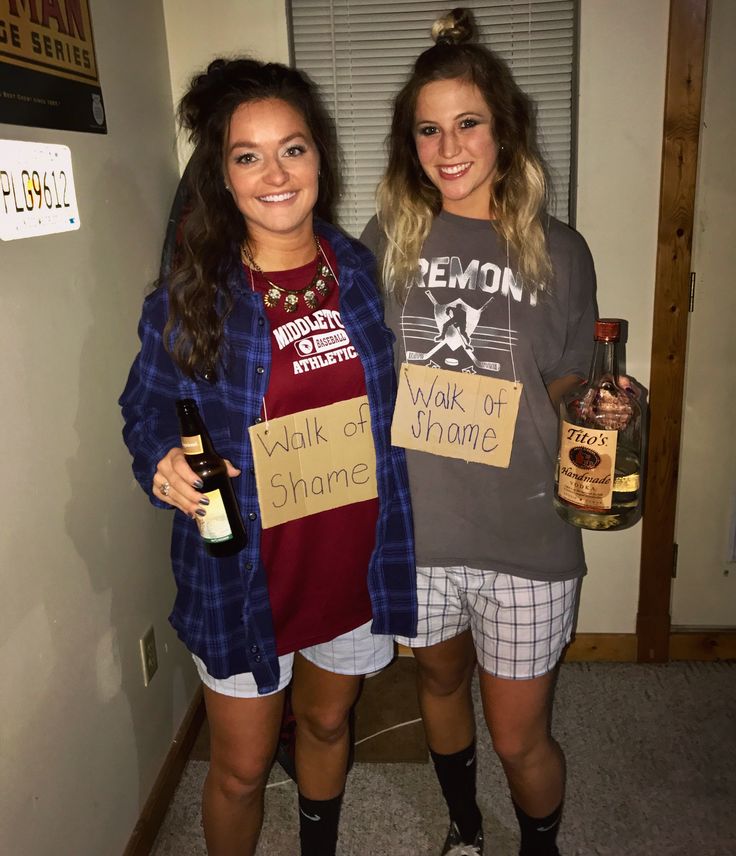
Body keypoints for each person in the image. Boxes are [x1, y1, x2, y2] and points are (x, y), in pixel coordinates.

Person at [119, 57, 416, 856]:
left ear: (321, 156)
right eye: (247, 156)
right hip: (244, 570)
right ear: (222, 177)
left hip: (350, 558)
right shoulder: (190, 295)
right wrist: (162, 464)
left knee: (326, 721)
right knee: (242, 770)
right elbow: (144, 409)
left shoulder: (359, 273)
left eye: (293, 148)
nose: (275, 173)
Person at [361, 9, 596, 856]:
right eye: (428, 129)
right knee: (438, 680)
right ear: (409, 142)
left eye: (468, 124)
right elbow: (357, 368)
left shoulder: (562, 249)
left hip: (524, 530)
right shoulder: (388, 239)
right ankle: (465, 828)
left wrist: (597, 409)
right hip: (423, 527)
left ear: (505, 129)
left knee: (519, 735)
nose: (448, 147)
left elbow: (568, 373)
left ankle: (540, 845)